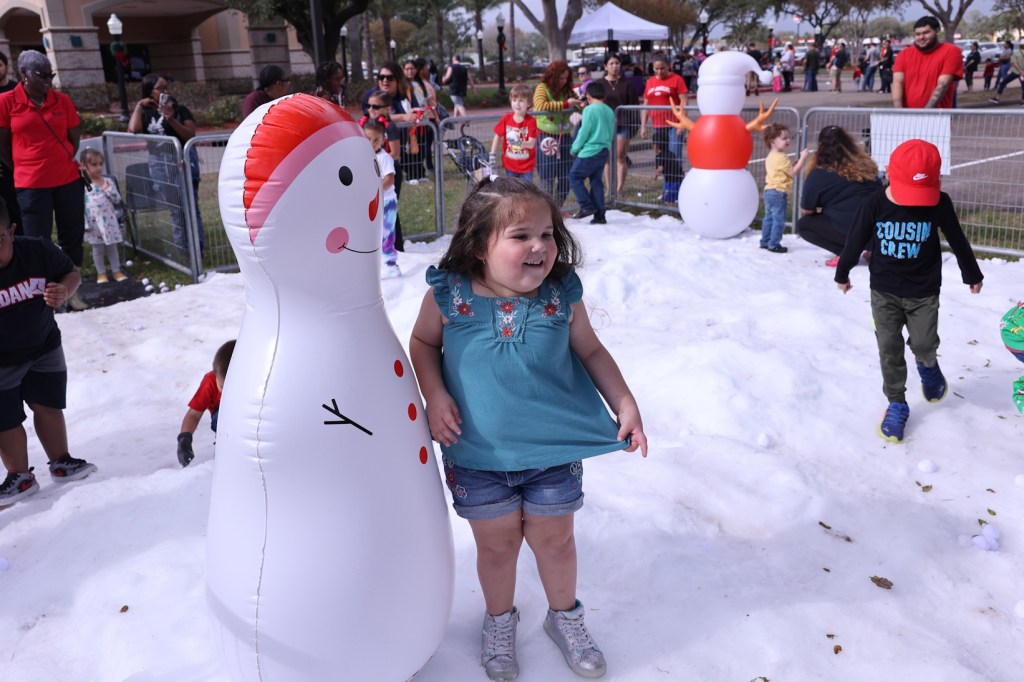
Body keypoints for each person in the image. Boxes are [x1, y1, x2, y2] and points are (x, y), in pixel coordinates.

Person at [408, 176, 647, 682]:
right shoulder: (449, 295)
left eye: (546, 233)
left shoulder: (561, 296)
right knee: (497, 548)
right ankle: (499, 623)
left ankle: (566, 618)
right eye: (520, 236)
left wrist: (625, 403)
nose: (539, 246)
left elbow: (592, 351)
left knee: (556, 542)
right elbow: (423, 345)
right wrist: (435, 395)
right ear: (479, 246)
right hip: (478, 456)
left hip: (552, 453)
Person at [834, 139, 983, 443]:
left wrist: (972, 273)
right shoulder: (874, 204)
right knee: (889, 348)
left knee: (925, 343)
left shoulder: (939, 203)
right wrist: (843, 272)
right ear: (890, 175)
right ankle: (896, 402)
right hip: (884, 291)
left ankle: (928, 366)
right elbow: (855, 240)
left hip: (923, 291)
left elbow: (957, 239)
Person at [0, 198, 97, 507]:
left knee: (48, 405)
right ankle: (19, 475)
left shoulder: (37, 250)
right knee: (5, 420)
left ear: (12, 231)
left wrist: (64, 291)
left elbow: (71, 272)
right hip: (1, 361)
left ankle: (61, 460)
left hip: (44, 346)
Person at [0, 50, 87, 311]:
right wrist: (25, 165)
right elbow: (3, 144)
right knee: (38, 240)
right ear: (24, 74)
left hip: (67, 179)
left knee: (72, 234)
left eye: (51, 74)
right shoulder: (6, 101)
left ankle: (71, 292)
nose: (48, 79)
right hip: (30, 183)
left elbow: (74, 138)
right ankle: (43, 296)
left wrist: (56, 162)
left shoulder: (62, 101)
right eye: (41, 75)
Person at [127, 73, 205, 257]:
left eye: (167, 87)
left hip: (182, 162)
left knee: (191, 208)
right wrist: (139, 106)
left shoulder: (180, 110)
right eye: (160, 88)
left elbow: (190, 135)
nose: (166, 91)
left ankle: (197, 250)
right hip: (159, 164)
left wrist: (171, 119)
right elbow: (133, 130)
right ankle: (183, 252)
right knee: (175, 209)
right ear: (149, 91)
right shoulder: (146, 112)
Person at [797, 125, 882, 266]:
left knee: (804, 225)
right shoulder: (866, 166)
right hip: (877, 232)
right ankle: (872, 250)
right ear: (849, 143)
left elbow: (807, 210)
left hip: (849, 231)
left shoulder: (818, 174)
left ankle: (845, 252)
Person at [176, 339, 235, 467]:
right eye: (223, 387)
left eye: (234, 388)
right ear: (216, 376)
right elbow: (194, 414)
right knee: (223, 417)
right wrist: (184, 438)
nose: (227, 393)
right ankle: (225, 450)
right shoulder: (210, 382)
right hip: (222, 420)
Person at [533, 61, 581, 209]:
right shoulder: (542, 88)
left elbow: (577, 103)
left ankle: (557, 208)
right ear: (552, 76)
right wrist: (567, 104)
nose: (563, 81)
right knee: (547, 177)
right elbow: (540, 106)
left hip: (565, 137)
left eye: (566, 78)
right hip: (545, 138)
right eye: (560, 78)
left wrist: (581, 104)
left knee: (567, 176)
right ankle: (547, 211)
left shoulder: (567, 91)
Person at [569, 81, 615, 225]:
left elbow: (584, 132)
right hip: (603, 150)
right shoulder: (609, 110)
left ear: (588, 96)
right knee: (596, 182)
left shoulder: (589, 110)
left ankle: (586, 206)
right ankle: (600, 216)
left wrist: (575, 148)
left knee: (574, 176)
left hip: (590, 150)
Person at [892, 16, 963, 109]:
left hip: (937, 117)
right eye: (917, 34)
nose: (921, 37)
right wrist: (899, 112)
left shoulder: (952, 51)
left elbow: (943, 85)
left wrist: (926, 114)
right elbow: (898, 82)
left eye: (926, 33)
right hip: (907, 118)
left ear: (937, 31)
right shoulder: (903, 54)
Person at [759, 123, 809, 254]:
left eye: (788, 137)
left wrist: (793, 165)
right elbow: (793, 173)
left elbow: (782, 171)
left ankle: (765, 241)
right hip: (778, 192)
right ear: (772, 141)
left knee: (768, 218)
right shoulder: (782, 158)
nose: (788, 140)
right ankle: (774, 244)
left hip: (769, 191)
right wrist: (803, 158)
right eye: (783, 138)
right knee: (778, 220)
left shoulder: (771, 155)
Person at [80, 148, 126, 284]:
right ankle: (101, 273)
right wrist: (85, 223)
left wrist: (107, 187)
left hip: (109, 222)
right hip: (93, 224)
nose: (98, 167)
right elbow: (81, 205)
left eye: (100, 164)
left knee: (112, 246)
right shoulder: (84, 184)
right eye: (94, 164)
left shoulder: (107, 182)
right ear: (84, 165)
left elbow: (117, 199)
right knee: (97, 248)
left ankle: (116, 270)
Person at [596, 52, 639, 195]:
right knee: (607, 159)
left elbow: (634, 106)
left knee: (620, 156)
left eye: (617, 63)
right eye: (611, 64)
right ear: (605, 66)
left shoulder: (627, 84)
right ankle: (609, 189)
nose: (615, 66)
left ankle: (620, 188)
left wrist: (635, 125)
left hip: (624, 125)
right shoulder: (599, 84)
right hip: (605, 127)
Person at [363, 119, 400, 278]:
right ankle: (375, 264)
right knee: (372, 234)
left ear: (383, 139)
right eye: (368, 139)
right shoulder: (364, 156)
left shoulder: (384, 158)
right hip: (373, 203)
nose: (372, 143)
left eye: (376, 140)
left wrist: (373, 187)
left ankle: (391, 264)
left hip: (387, 202)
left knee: (387, 233)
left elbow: (389, 180)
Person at [638, 53, 689, 164]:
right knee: (662, 158)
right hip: (658, 126)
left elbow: (684, 103)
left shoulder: (677, 79)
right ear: (653, 68)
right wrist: (643, 126)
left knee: (674, 157)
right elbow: (646, 104)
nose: (660, 72)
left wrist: (682, 123)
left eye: (662, 68)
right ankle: (667, 181)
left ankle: (677, 181)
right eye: (657, 69)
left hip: (674, 126)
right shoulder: (650, 81)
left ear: (668, 66)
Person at [489, 84, 537, 182]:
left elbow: (531, 144)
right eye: (514, 100)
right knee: (512, 193)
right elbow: (497, 135)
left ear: (528, 103)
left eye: (521, 101)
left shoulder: (531, 121)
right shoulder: (506, 119)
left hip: (526, 167)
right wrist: (492, 154)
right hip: (510, 165)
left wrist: (518, 142)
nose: (517, 104)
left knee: (525, 193)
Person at [0, 51, 23, 240]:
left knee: (21, 203)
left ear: (6, 67)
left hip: (19, 156)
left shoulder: (18, 91)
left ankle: (24, 241)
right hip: (1, 162)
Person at [654, 137, 683, 206]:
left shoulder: (659, 156)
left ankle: (672, 213)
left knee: (669, 198)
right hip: (678, 179)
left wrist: (655, 175)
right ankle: (674, 210)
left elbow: (660, 168)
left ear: (656, 146)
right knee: (675, 197)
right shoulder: (671, 153)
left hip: (670, 181)